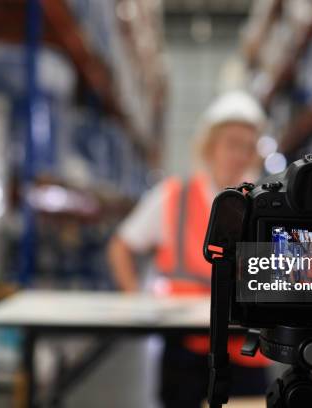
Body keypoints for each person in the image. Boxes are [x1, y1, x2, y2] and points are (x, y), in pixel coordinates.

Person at [107, 91, 270, 408]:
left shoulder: (267, 203)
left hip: (248, 349)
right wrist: (134, 300)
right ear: (210, 147)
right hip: (184, 350)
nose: (241, 155)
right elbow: (121, 246)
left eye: (249, 147)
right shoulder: (172, 196)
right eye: (232, 144)